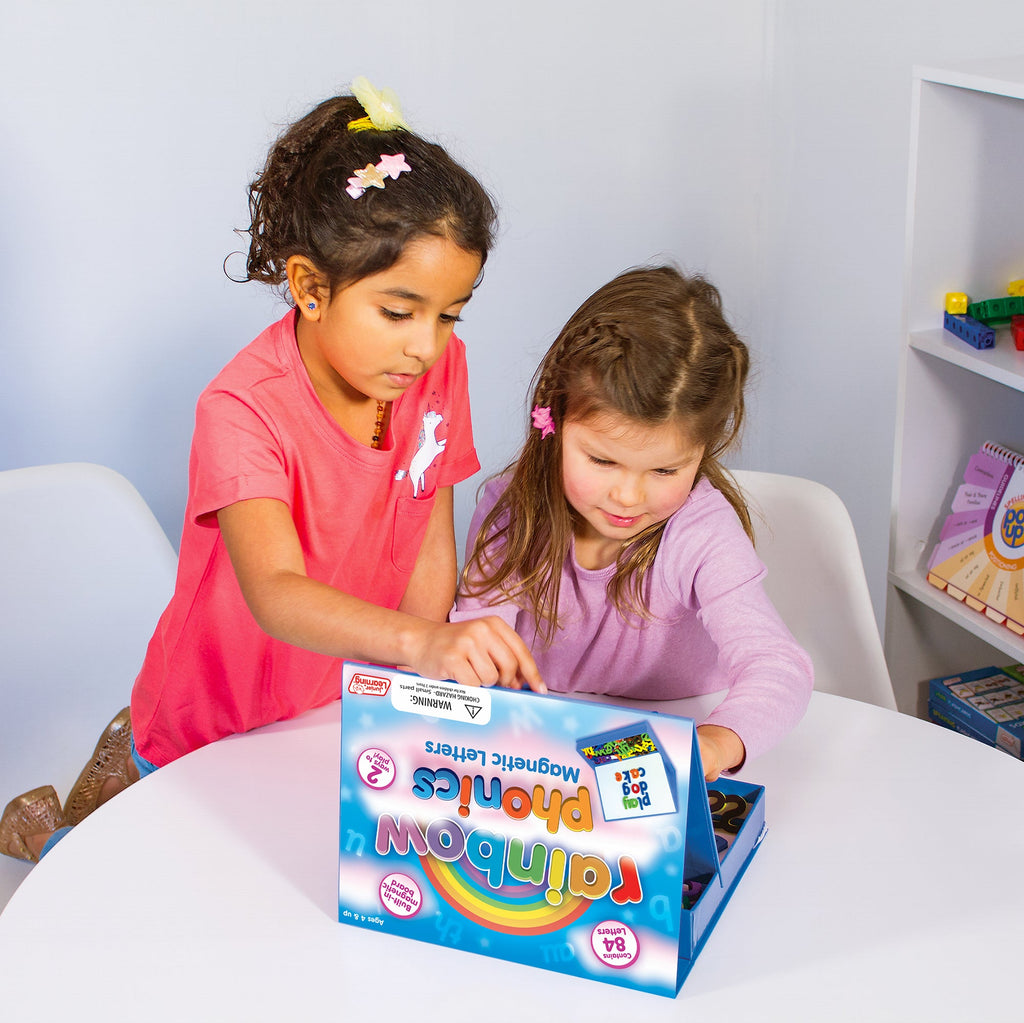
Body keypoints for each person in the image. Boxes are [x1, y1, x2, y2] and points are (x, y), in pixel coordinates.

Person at [0, 77, 540, 863]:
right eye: (398, 311)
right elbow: (275, 590)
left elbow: (429, 524)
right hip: (213, 716)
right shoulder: (241, 408)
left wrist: (420, 670)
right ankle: (43, 825)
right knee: (137, 880)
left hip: (331, 698)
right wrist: (420, 644)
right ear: (311, 287)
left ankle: (110, 768)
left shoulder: (437, 366)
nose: (426, 343)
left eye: (448, 313)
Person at [452, 265, 813, 781]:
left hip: (682, 724)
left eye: (665, 470)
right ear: (553, 421)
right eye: (602, 461)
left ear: (704, 450)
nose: (628, 496)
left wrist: (716, 743)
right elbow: (475, 648)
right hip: (541, 749)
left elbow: (778, 664)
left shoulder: (703, 533)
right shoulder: (510, 509)